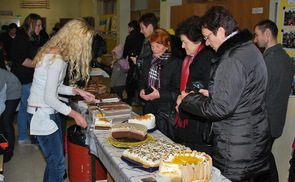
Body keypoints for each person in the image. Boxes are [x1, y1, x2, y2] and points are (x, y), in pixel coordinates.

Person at [176, 6, 270, 182]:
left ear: (220, 31)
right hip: (254, 139)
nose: (207, 43)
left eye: (208, 37)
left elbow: (220, 108)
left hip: (235, 146)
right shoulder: (250, 49)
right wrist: (213, 93)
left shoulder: (231, 59)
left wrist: (188, 100)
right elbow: (244, 94)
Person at [27, 18, 95, 182]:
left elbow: (54, 87)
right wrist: (75, 115)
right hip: (41, 114)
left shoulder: (57, 54)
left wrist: (76, 90)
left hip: (44, 112)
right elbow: (49, 97)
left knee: (54, 162)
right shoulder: (56, 59)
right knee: (57, 166)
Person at [253, 19, 294, 182]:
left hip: (264, 121)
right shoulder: (286, 58)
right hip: (276, 122)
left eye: (257, 35)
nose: (255, 40)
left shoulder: (268, 60)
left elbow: (260, 94)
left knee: (260, 165)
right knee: (265, 158)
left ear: (267, 33)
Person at [174, 16, 216, 155]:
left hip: (200, 128)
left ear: (198, 40)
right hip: (193, 124)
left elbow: (206, 94)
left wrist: (186, 100)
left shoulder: (206, 59)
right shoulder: (192, 58)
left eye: (185, 42)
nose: (182, 46)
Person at [139, 28, 181, 140]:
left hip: (166, 111)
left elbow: (177, 91)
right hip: (149, 108)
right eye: (152, 46)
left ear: (167, 45)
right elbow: (143, 81)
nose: (154, 49)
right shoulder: (148, 61)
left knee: (164, 142)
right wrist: (142, 90)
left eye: (158, 46)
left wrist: (160, 94)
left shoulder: (175, 63)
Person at [10, 13, 43, 145]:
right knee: (28, 108)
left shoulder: (30, 38)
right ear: (31, 25)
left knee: (27, 107)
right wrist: (41, 64)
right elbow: (23, 61)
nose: (41, 28)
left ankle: (26, 135)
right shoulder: (21, 39)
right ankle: (26, 136)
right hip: (23, 79)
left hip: (28, 78)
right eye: (38, 25)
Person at [0, 68, 21, 163]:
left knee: (6, 120)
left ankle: (10, 149)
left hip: (13, 91)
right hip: (4, 91)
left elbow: (1, 100)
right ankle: (3, 143)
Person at [123, 20, 144, 105]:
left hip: (132, 60)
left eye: (128, 27)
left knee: (131, 80)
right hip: (142, 60)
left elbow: (126, 50)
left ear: (131, 27)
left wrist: (124, 58)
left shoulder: (130, 37)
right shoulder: (143, 36)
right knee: (139, 79)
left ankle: (130, 99)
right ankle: (138, 98)